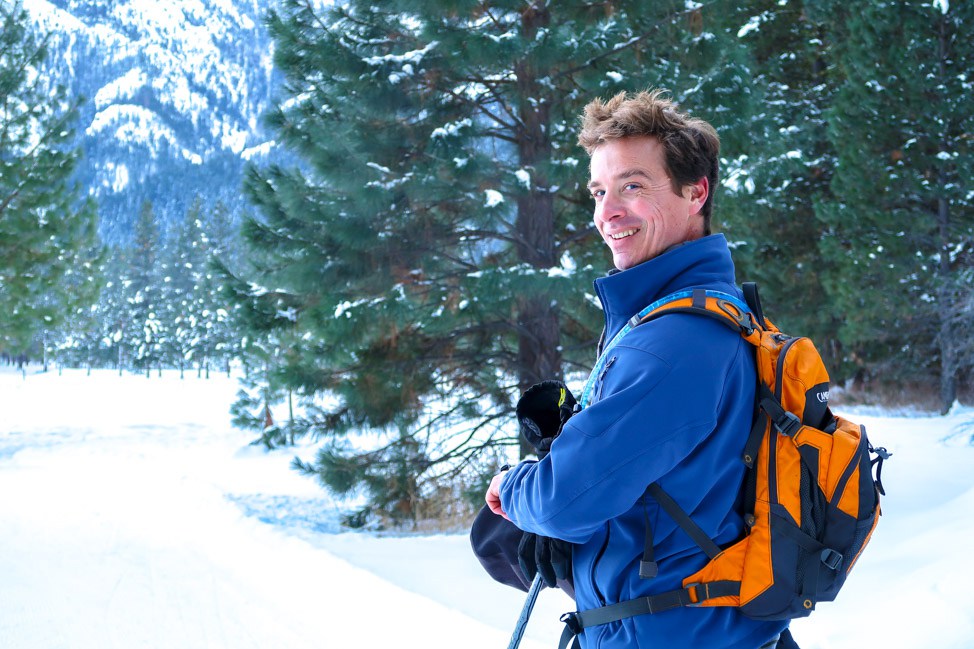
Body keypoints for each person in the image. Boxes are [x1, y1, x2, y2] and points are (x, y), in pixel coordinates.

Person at [480, 90, 790, 648]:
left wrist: (513, 485)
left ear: (696, 193)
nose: (606, 213)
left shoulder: (673, 342)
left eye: (633, 186)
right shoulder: (705, 312)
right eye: (599, 191)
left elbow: (561, 499)